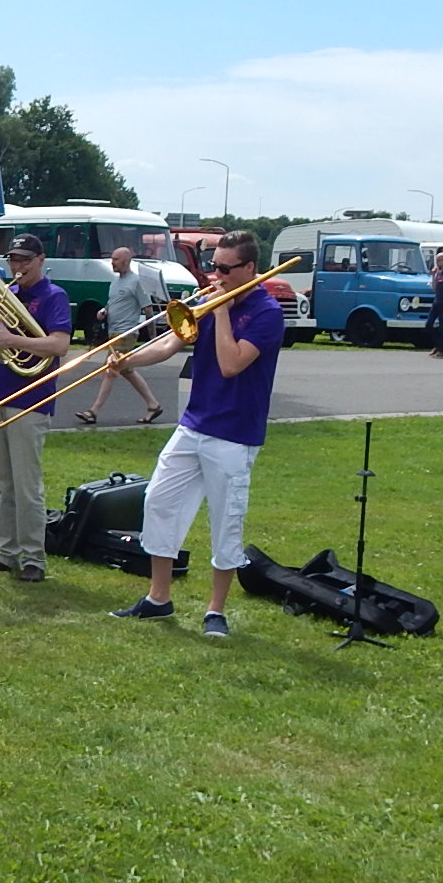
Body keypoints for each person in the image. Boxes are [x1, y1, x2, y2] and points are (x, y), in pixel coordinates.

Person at [106, 230, 283, 639]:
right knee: (159, 501)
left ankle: (215, 610)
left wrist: (221, 312)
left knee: (226, 521)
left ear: (249, 268)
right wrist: (128, 360)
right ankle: (158, 598)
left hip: (235, 433)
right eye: (212, 267)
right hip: (194, 423)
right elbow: (169, 344)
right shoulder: (207, 301)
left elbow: (231, 364)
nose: (215, 276)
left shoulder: (267, 312)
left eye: (225, 269)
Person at [0, 233, 72, 582]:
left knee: (27, 485)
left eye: (25, 260)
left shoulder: (54, 295)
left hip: (31, 399)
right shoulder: (5, 294)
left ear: (41, 260)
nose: (18, 266)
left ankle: (34, 558)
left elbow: (59, 345)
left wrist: (12, 339)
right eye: (13, 260)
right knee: (4, 483)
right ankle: (6, 552)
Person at [79, 246, 166, 425]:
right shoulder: (115, 281)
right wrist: (104, 311)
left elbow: (148, 309)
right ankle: (153, 405)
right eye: (112, 259)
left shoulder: (136, 281)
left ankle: (93, 411)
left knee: (110, 369)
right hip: (113, 332)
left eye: (116, 259)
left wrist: (153, 338)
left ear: (126, 261)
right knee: (127, 370)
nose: (112, 262)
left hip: (126, 333)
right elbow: (113, 303)